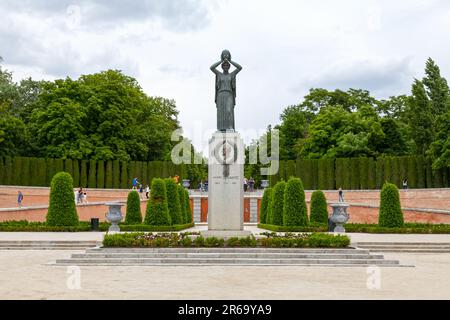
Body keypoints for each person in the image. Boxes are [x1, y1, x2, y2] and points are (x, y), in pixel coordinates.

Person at [210, 50, 243, 132]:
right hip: (221, 95)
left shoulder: (232, 74)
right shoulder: (219, 74)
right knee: (221, 113)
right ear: (222, 67)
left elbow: (240, 67)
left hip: (229, 95)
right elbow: (212, 68)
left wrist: (230, 60)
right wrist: (221, 60)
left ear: (229, 66)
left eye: (227, 65)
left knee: (229, 111)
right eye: (224, 65)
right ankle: (221, 129)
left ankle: (230, 128)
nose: (225, 66)